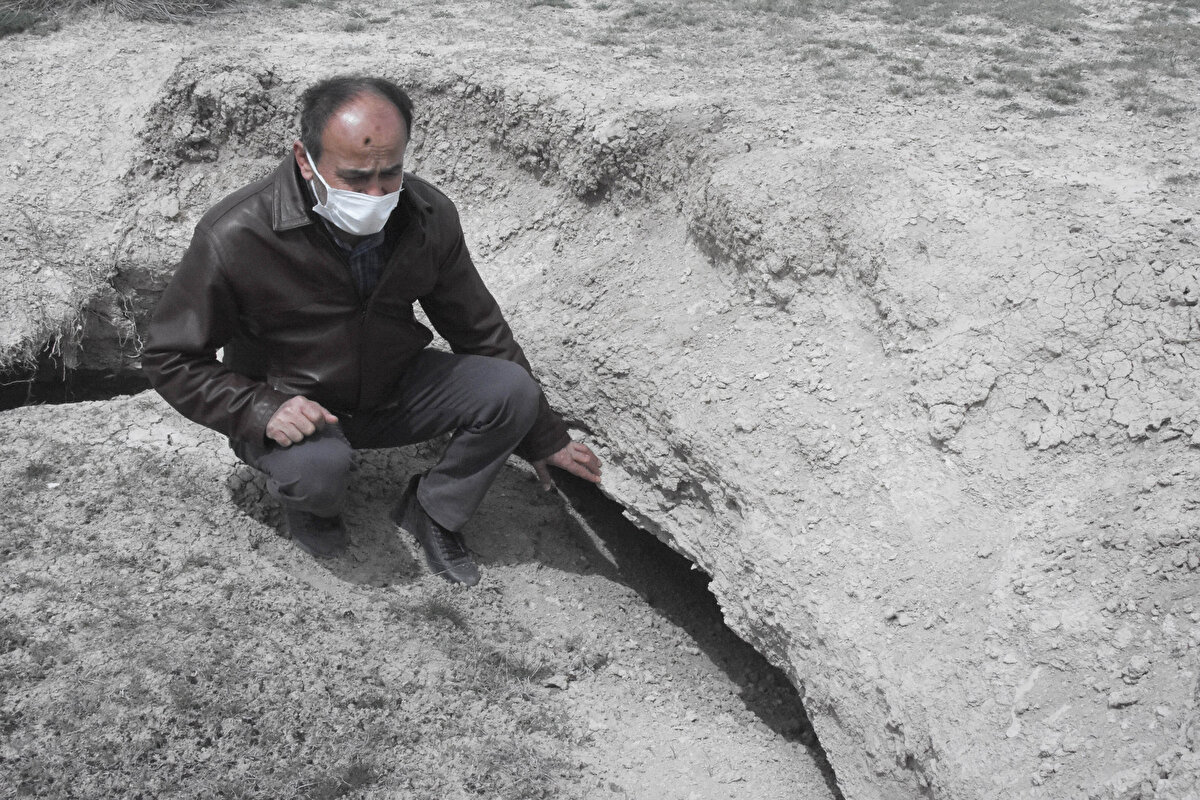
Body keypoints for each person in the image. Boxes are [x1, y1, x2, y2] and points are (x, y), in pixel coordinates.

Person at [142, 75, 601, 586]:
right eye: (355, 178)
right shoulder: (236, 235)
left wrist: (541, 436)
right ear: (304, 158)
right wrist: (261, 409)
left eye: (391, 173)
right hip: (297, 406)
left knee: (510, 391)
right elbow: (170, 355)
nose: (376, 194)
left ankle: (432, 510)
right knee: (317, 472)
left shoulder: (426, 216)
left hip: (392, 387)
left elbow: (479, 327)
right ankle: (314, 507)